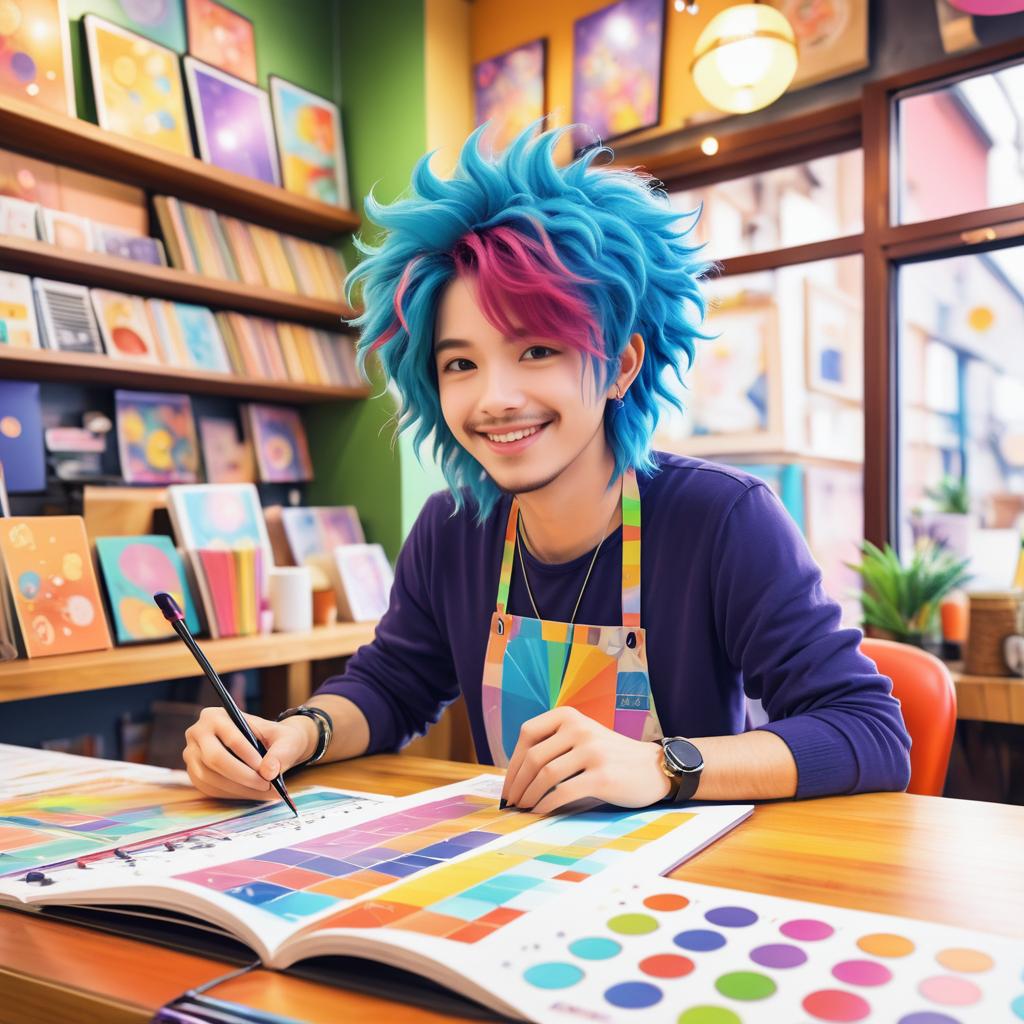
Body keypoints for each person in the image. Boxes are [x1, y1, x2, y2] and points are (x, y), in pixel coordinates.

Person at [183, 125, 911, 813]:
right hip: (515, 880)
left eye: (536, 350)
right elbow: (392, 685)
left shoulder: (723, 520)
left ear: (620, 364)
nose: (497, 398)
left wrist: (661, 767)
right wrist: (296, 734)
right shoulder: (452, 528)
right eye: (460, 363)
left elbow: (870, 731)